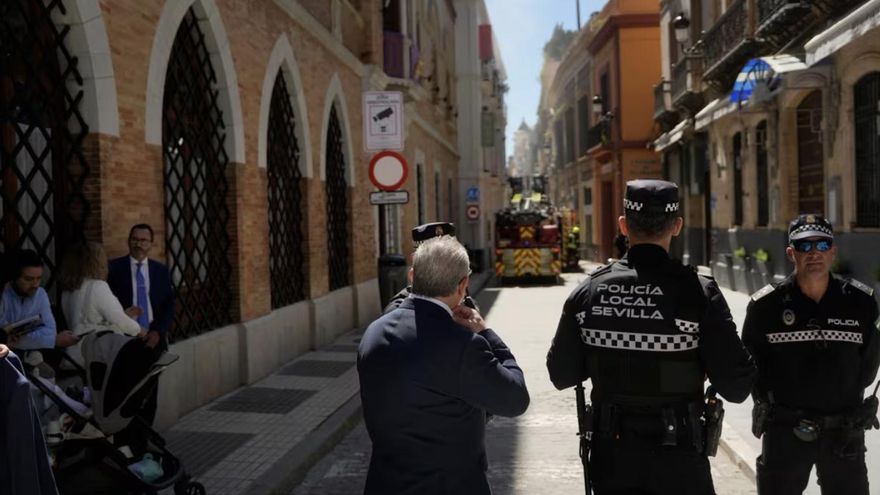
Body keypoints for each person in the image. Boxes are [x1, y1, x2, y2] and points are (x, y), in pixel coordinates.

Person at [547, 179, 756, 495]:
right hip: (680, 461)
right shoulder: (700, 294)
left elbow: (561, 374)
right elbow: (737, 387)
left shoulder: (588, 293)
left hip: (612, 461)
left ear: (623, 225)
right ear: (676, 226)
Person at [358, 236, 530, 495]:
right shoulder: (465, 346)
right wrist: (486, 332)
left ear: (412, 276)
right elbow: (516, 398)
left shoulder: (374, 332)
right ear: (463, 285)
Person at [743, 214, 880, 495]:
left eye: (821, 245)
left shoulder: (860, 303)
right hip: (786, 434)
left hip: (843, 433)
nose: (814, 254)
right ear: (791, 252)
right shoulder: (765, 307)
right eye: (804, 247)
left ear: (833, 250)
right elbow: (751, 368)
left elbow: (867, 368)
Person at [58, 242, 147, 363]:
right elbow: (119, 321)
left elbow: (87, 320)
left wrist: (124, 314)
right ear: (96, 262)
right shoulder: (97, 286)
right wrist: (142, 331)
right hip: (96, 356)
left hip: (74, 355)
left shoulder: (67, 290)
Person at [383, 222, 479, 313]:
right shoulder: (399, 309)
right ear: (416, 262)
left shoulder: (467, 305)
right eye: (432, 260)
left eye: (451, 258)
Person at [107, 224, 175, 351]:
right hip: (124, 334)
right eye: (134, 239)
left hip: (154, 334)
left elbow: (168, 304)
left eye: (143, 240)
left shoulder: (161, 270)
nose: (138, 244)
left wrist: (157, 330)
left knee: (155, 369)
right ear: (128, 241)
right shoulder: (114, 268)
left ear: (151, 243)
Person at [0, 250, 77, 350]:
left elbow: (50, 331)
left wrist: (19, 339)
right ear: (14, 278)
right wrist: (51, 341)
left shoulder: (40, 294)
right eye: (28, 279)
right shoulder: (3, 295)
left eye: (38, 278)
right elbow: (4, 339)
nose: (35, 284)